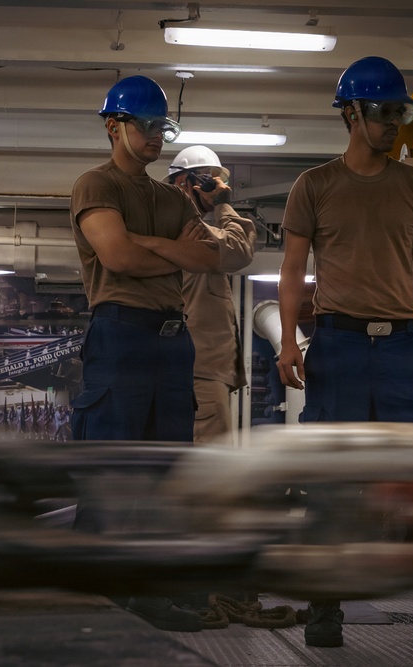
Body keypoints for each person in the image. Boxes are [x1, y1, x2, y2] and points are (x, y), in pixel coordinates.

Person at [275, 56, 413, 652]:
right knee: (330, 481)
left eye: (401, 111)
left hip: (401, 346)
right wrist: (288, 339)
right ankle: (324, 609)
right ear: (351, 114)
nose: (395, 123)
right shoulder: (314, 185)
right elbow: (292, 270)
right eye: (384, 111)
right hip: (337, 346)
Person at [69, 75, 221, 632]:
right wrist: (172, 251)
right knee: (112, 474)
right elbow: (117, 257)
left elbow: (208, 258)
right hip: (121, 335)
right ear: (115, 126)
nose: (158, 135)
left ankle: (151, 596)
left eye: (164, 127)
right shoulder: (96, 185)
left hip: (172, 341)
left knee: (165, 476)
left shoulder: (170, 197)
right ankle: (96, 601)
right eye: (148, 125)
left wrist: (149, 244)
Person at [165, 145, 256, 445]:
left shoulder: (190, 229)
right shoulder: (187, 230)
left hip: (201, 370)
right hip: (198, 371)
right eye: (210, 179)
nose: (219, 186)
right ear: (185, 183)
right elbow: (239, 250)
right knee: (211, 460)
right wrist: (223, 205)